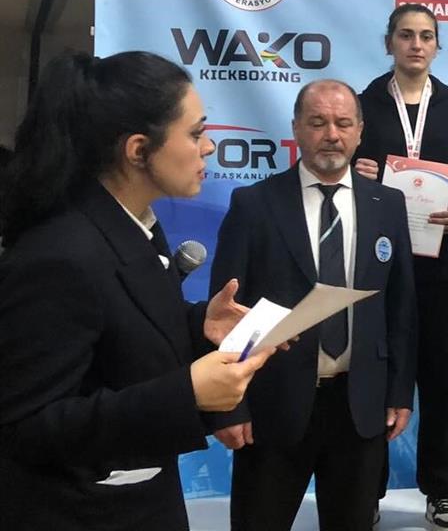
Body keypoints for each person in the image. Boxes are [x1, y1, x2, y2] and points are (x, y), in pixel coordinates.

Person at [0, 51, 269, 530]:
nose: (209, 147)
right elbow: (26, 427)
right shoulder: (61, 254)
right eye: (195, 133)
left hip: (144, 502)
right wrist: (186, 394)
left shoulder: (136, 226)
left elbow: (113, 332)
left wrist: (198, 323)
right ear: (139, 150)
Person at [208, 79, 417, 531]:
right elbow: (225, 312)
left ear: (360, 131)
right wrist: (228, 407)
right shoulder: (254, 204)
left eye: (343, 123)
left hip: (360, 405)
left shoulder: (387, 204)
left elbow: (401, 308)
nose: (331, 135)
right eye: (318, 123)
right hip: (274, 406)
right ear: (296, 129)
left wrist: (400, 392)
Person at [353, 3, 448, 530]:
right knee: (373, 381)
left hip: (441, 265)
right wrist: (354, 172)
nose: (416, 44)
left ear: (436, 46)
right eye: (406, 35)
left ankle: (443, 491)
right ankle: (366, 491)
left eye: (426, 36)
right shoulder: (362, 105)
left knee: (438, 382)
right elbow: (332, 171)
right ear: (389, 43)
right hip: (377, 265)